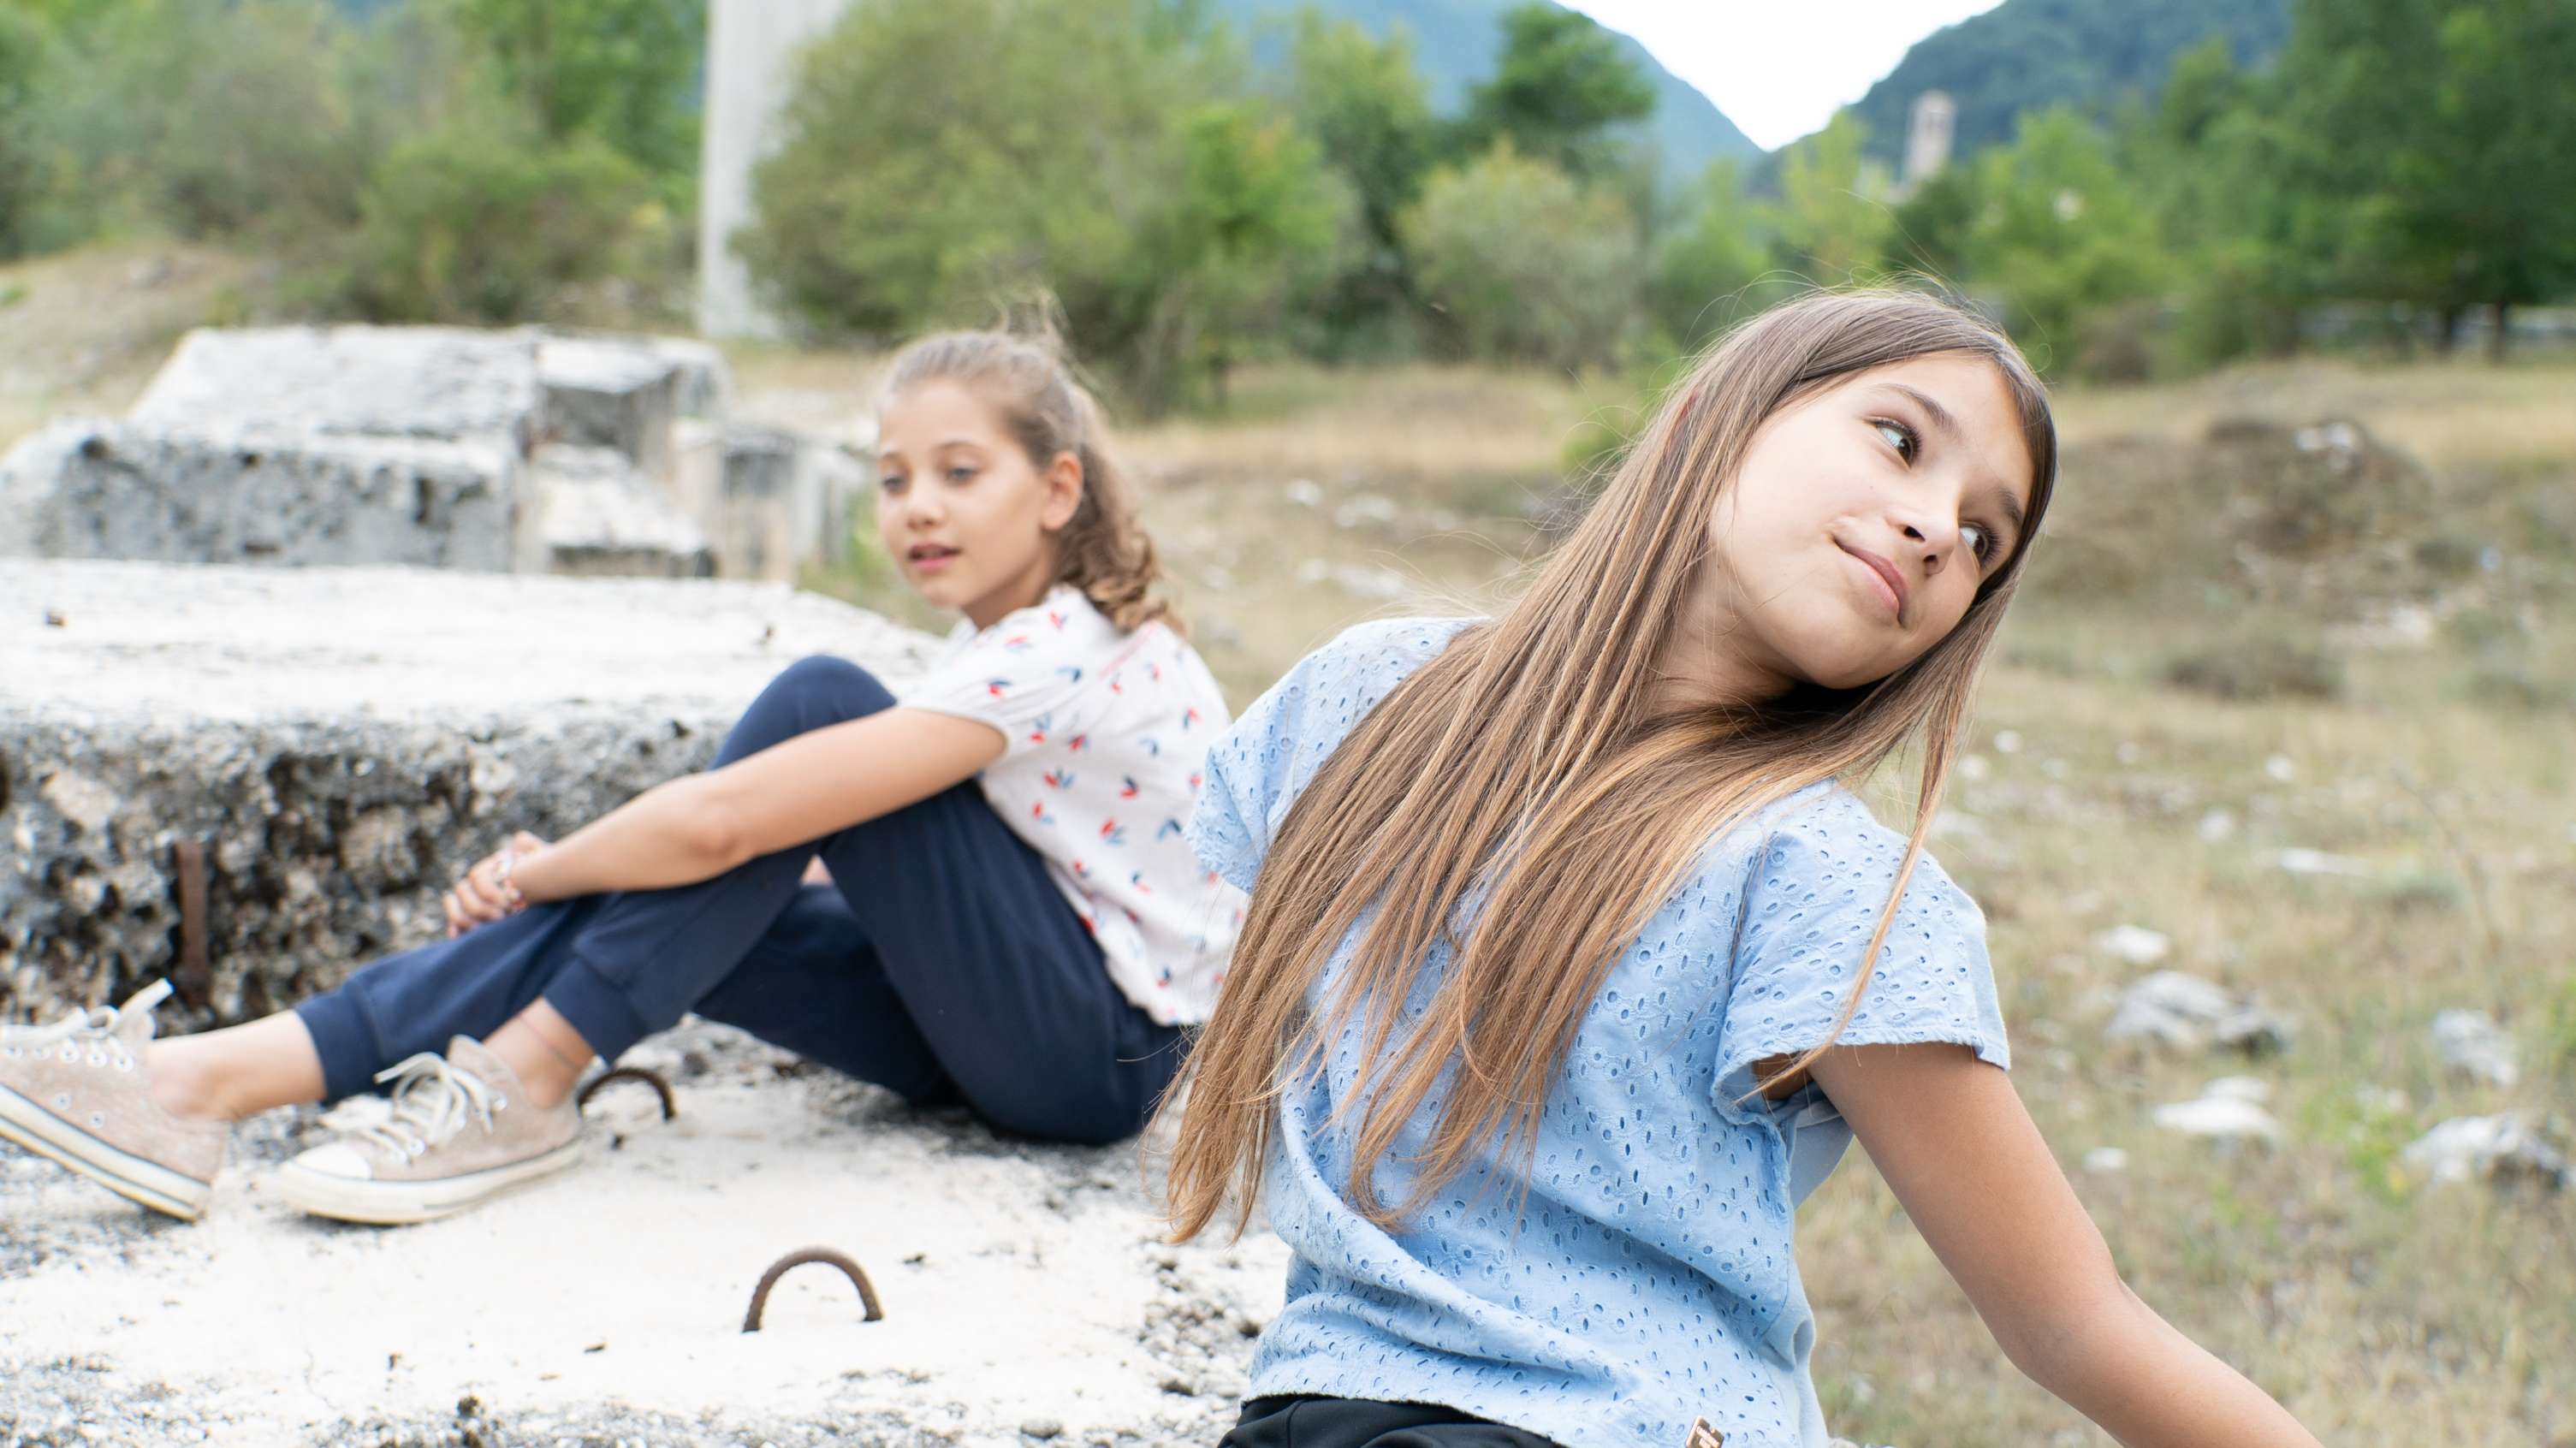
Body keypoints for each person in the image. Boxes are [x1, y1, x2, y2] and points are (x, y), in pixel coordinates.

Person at [1165, 292, 2324, 1448]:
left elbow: (2072, 1322)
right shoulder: (1365, 698)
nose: (1935, 529)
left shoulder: (1819, 880)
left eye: (1982, 537)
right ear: (1715, 423)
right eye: (1900, 440)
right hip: (1331, 1405)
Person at [0, 330, 1241, 1226]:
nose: (916, 508)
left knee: (809, 705)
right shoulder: (1003, 646)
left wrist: (549, 865)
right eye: (893, 477)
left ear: (1057, 487)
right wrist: (605, 883)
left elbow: (724, 822)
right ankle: (199, 1086)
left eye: (960, 474)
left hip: (1095, 1061)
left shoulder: (1056, 653)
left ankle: (526, 1077)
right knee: (671, 907)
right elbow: (772, 851)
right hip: (999, 1026)